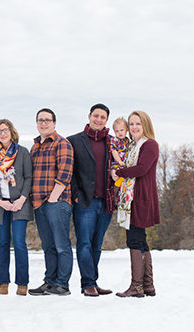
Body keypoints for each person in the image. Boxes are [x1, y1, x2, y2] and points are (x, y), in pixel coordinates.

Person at [66, 104, 118, 297]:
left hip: (106, 201)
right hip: (85, 201)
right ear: (89, 116)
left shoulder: (112, 142)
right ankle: (87, 283)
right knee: (84, 243)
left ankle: (93, 281)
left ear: (106, 120)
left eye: (102, 117)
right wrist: (76, 194)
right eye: (95, 116)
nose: (98, 119)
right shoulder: (74, 141)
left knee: (97, 244)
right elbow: (68, 171)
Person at [112, 110, 163, 298]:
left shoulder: (150, 145)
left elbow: (141, 169)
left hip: (140, 198)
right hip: (131, 198)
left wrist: (120, 172)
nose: (133, 127)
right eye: (131, 124)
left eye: (138, 124)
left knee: (135, 239)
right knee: (140, 239)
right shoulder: (133, 146)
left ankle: (137, 286)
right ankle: (147, 285)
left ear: (145, 126)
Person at [28, 108, 75, 296]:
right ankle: (49, 282)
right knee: (48, 246)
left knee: (61, 244)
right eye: (40, 120)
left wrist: (54, 198)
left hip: (57, 201)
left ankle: (62, 284)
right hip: (39, 203)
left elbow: (65, 173)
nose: (43, 123)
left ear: (54, 123)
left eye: (47, 120)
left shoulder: (62, 143)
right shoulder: (35, 147)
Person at [0, 119, 33, 296]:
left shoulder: (22, 152)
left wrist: (21, 199)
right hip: (0, 204)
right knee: (3, 243)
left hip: (19, 203)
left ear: (11, 132)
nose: (3, 134)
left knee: (19, 242)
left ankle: (22, 283)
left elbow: (28, 177)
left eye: (5, 130)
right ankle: (3, 282)